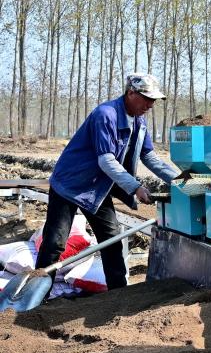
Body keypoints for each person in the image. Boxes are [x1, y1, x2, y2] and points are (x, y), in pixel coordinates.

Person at [37, 73, 180, 289]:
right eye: (147, 98)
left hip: (96, 188)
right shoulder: (105, 114)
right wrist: (135, 187)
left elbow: (149, 156)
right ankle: (38, 297)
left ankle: (118, 294)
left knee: (111, 238)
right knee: (54, 243)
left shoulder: (139, 121)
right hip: (70, 184)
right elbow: (106, 160)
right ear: (131, 93)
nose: (151, 105)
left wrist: (180, 181)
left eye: (154, 100)